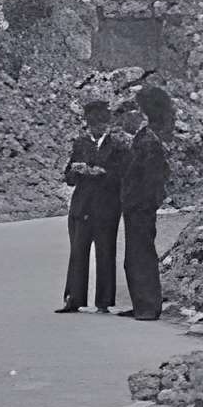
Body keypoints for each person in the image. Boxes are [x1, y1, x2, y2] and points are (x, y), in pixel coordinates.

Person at [57, 96, 126, 314]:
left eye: (98, 124)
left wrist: (103, 174)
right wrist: (75, 172)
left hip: (107, 207)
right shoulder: (81, 143)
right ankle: (73, 299)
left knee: (105, 253)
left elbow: (123, 176)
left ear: (105, 124)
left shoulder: (116, 146)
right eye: (90, 125)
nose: (94, 129)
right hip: (82, 207)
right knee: (78, 253)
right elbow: (68, 177)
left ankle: (103, 302)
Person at [114, 97, 170, 321]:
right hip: (136, 207)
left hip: (141, 208)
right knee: (134, 257)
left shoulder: (148, 142)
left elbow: (154, 176)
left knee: (141, 255)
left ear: (136, 116)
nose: (121, 123)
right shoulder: (141, 140)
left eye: (124, 117)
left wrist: (143, 203)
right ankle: (141, 305)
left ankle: (148, 307)